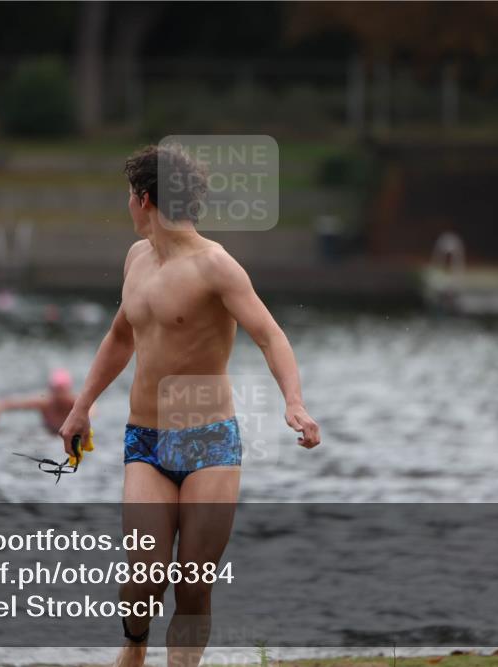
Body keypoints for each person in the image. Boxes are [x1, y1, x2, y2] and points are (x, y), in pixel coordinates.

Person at [57, 144, 320, 667]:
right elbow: (118, 338)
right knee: (144, 576)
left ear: (145, 199)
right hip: (146, 440)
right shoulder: (135, 260)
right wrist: (81, 406)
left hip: (210, 442)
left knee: (194, 584)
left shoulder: (216, 266)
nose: (128, 207)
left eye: (130, 198)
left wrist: (294, 401)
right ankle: (133, 648)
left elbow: (269, 335)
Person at [0, 368, 77, 434]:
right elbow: (9, 403)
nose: (59, 395)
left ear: (68, 390)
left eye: (61, 391)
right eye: (56, 390)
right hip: (48, 433)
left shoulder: (76, 404)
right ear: (51, 390)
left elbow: (90, 413)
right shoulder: (45, 403)